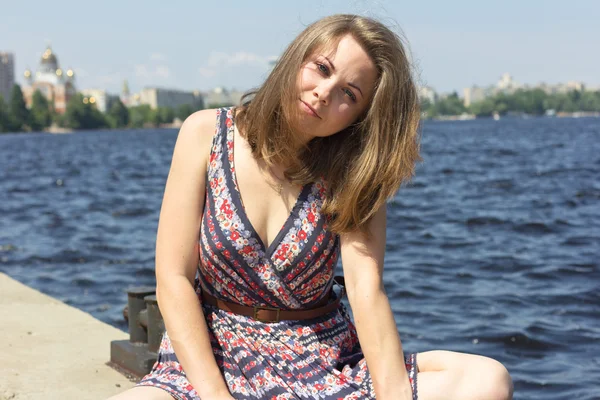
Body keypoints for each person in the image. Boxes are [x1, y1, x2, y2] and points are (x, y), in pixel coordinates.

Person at [109, 14, 513, 400]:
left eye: (349, 94)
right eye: (322, 68)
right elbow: (173, 279)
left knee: (488, 381)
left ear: (359, 116)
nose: (325, 92)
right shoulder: (206, 133)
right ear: (297, 58)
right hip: (211, 353)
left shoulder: (352, 174)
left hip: (319, 360)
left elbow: (366, 291)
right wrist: (216, 394)